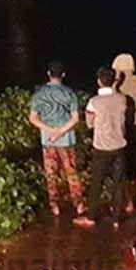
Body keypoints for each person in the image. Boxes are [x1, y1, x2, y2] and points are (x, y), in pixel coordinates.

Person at [28, 61, 86, 218]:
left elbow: (33, 118)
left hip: (48, 140)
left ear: (48, 73)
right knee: (71, 172)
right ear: (63, 75)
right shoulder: (69, 93)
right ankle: (78, 204)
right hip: (66, 140)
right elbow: (75, 119)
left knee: (51, 173)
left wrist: (50, 130)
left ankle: (54, 205)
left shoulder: (39, 94)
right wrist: (60, 131)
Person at [74, 67, 129, 229]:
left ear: (99, 81)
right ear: (114, 81)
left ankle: (91, 217)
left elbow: (90, 124)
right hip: (120, 146)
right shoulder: (122, 99)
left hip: (101, 147)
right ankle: (116, 219)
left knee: (96, 182)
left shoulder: (93, 102)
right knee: (118, 184)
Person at [112, 53, 136, 213]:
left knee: (126, 166)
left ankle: (129, 202)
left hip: (126, 129)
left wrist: (115, 83)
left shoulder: (120, 86)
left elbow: (113, 101)